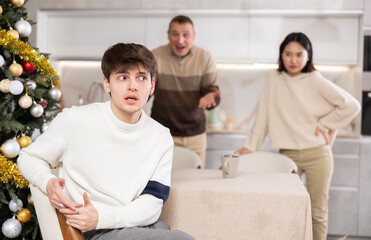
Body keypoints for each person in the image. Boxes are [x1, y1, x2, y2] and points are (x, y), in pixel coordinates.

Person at [18, 43, 194, 240]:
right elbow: (28, 156)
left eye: (141, 78)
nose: (133, 86)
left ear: (152, 85)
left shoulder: (160, 136)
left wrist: (104, 217)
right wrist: (48, 182)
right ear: (107, 83)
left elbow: (153, 202)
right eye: (122, 77)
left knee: (165, 229)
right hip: (91, 231)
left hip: (128, 223)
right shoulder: (75, 120)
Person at [235, 32, 361, 240]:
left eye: (299, 55)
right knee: (287, 208)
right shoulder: (274, 79)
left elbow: (351, 105)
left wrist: (325, 124)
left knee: (317, 211)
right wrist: (251, 146)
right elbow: (263, 115)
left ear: (308, 56)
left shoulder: (316, 80)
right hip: (287, 155)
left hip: (317, 154)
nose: (293, 60)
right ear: (281, 55)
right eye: (288, 54)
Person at [151, 15, 221, 168]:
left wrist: (210, 98)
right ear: (168, 35)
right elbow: (147, 88)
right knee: (161, 180)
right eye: (175, 34)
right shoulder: (155, 56)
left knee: (194, 182)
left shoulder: (205, 57)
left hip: (195, 135)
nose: (180, 40)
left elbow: (212, 91)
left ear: (193, 36)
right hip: (162, 133)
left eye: (186, 35)